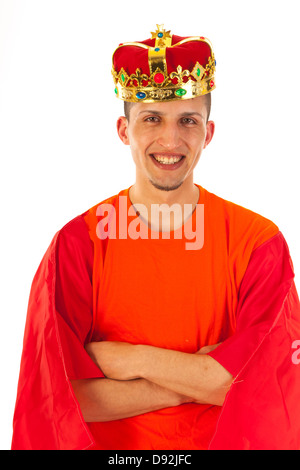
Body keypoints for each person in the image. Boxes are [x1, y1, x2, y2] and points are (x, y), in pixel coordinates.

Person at [12, 25, 300, 450]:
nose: (170, 139)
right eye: (151, 118)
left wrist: (127, 359)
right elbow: (65, 397)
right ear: (124, 130)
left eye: (188, 120)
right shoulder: (79, 243)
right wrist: (198, 376)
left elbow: (262, 384)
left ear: (209, 132)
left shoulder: (257, 243)